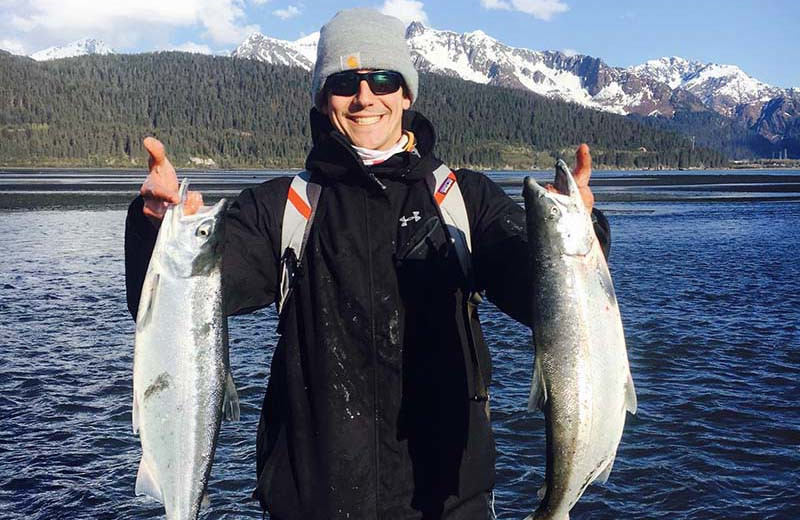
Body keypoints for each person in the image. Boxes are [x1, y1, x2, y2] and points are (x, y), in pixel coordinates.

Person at [125, 8, 609, 520]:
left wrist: (576, 232)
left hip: (448, 504)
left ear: (406, 94)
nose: (364, 97)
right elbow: (166, 309)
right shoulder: (280, 209)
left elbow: (545, 298)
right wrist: (157, 229)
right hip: (311, 505)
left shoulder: (466, 200)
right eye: (344, 82)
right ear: (321, 98)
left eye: (382, 79)